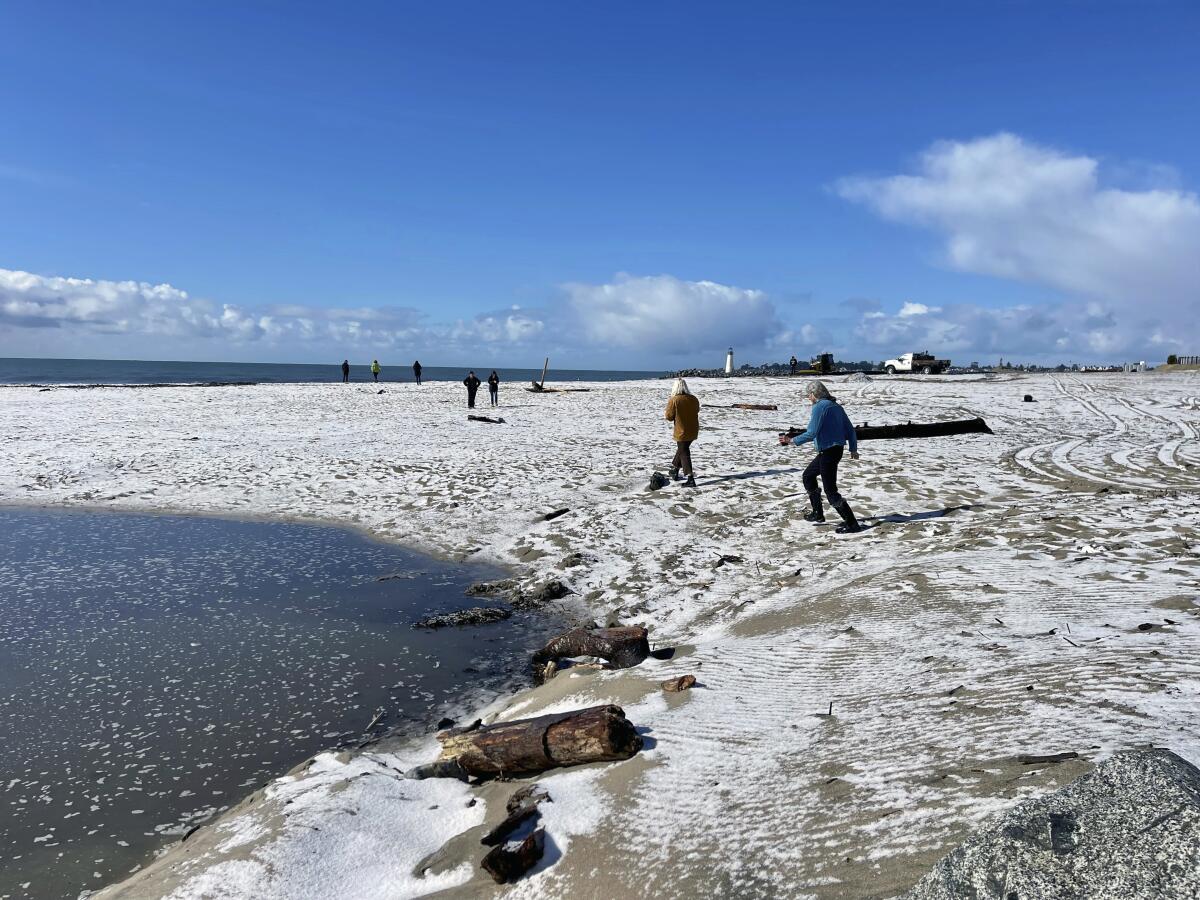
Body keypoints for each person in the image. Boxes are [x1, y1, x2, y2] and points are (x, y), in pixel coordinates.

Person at [784, 379, 861, 533]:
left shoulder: (819, 407)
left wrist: (791, 441)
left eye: (808, 395)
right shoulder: (836, 406)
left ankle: (852, 524)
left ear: (814, 394)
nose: (808, 398)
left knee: (831, 490)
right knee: (808, 476)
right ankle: (818, 513)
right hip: (833, 451)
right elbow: (850, 430)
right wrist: (853, 448)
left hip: (829, 452)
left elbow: (812, 432)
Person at [664, 378, 700, 488]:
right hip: (693, 429)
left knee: (684, 452)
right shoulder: (693, 398)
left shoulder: (674, 400)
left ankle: (690, 478)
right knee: (682, 449)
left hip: (681, 430)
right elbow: (697, 410)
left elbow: (669, 417)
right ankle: (675, 469)